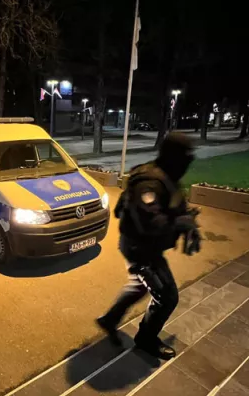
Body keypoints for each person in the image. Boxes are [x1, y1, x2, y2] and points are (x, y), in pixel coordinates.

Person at [97, 133, 201, 360]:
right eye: (185, 158)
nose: (187, 164)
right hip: (140, 249)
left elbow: (175, 207)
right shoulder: (149, 182)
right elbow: (150, 223)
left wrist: (189, 225)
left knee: (140, 286)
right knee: (167, 296)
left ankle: (109, 319)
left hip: (146, 246)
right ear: (173, 157)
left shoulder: (166, 176)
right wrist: (179, 223)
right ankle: (145, 339)